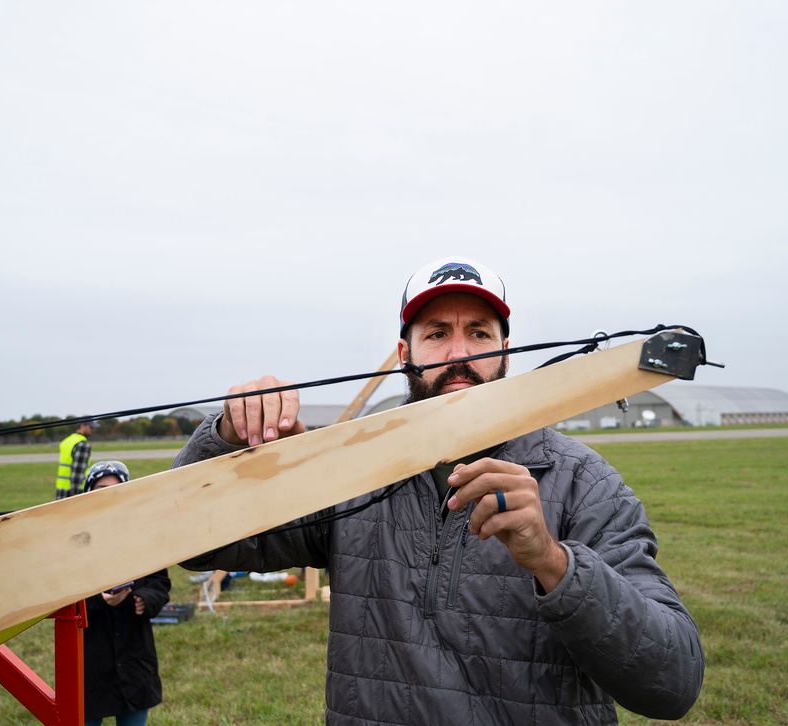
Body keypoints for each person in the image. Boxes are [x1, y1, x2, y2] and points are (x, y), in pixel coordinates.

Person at [175, 256, 704, 724]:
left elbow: (673, 684)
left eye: (478, 333)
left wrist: (552, 561)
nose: (458, 353)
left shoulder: (584, 483)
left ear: (506, 351)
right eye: (436, 334)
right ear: (405, 352)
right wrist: (227, 441)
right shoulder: (353, 467)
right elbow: (195, 543)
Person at [81, 461, 171, 726]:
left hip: (134, 653)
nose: (108, 494)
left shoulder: (143, 537)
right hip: (89, 656)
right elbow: (59, 597)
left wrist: (145, 599)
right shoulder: (76, 540)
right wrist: (98, 600)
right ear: (88, 493)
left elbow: (159, 583)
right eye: (101, 489)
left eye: (115, 489)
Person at [55, 421, 98, 500]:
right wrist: (77, 498)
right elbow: (77, 475)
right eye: (91, 427)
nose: (93, 430)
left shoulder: (67, 441)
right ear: (82, 425)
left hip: (61, 491)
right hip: (73, 493)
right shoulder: (82, 444)